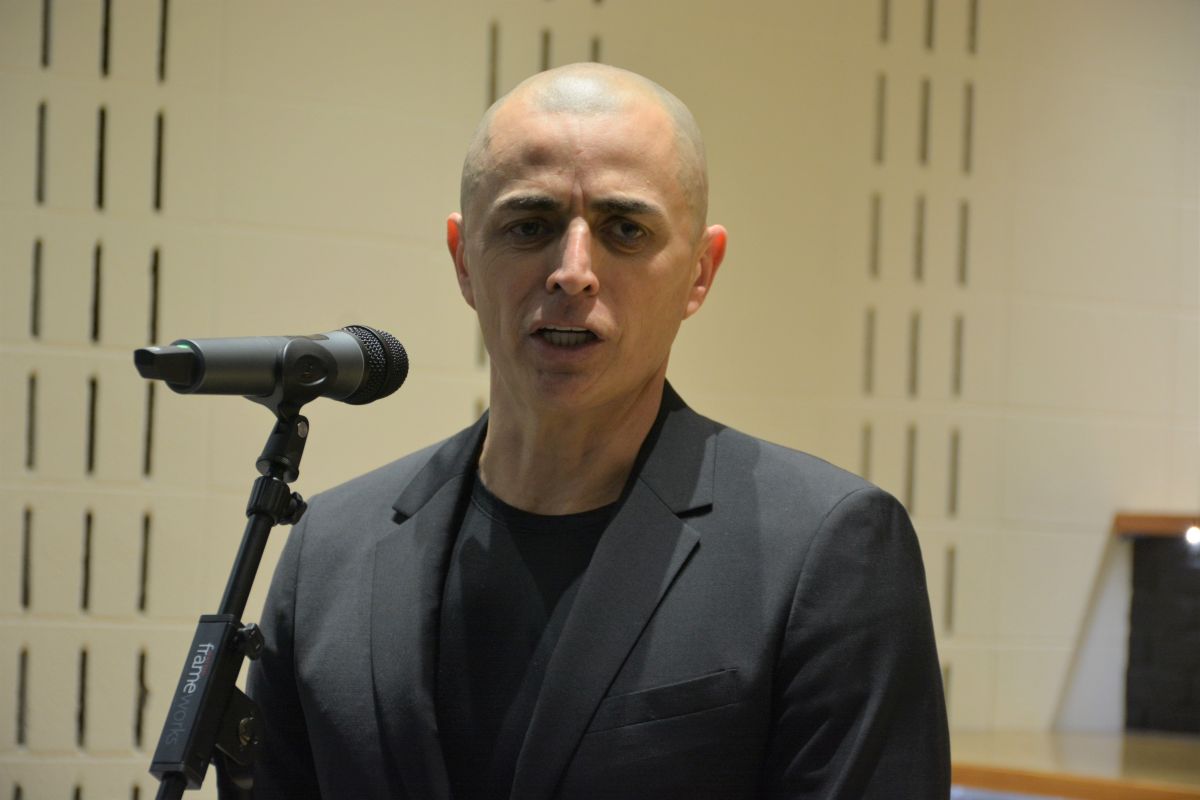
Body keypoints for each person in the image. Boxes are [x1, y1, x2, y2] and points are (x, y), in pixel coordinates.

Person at [243, 63, 950, 799]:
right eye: (530, 225)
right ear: (463, 259)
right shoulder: (331, 548)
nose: (573, 272)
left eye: (625, 230)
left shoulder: (824, 552)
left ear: (700, 272)